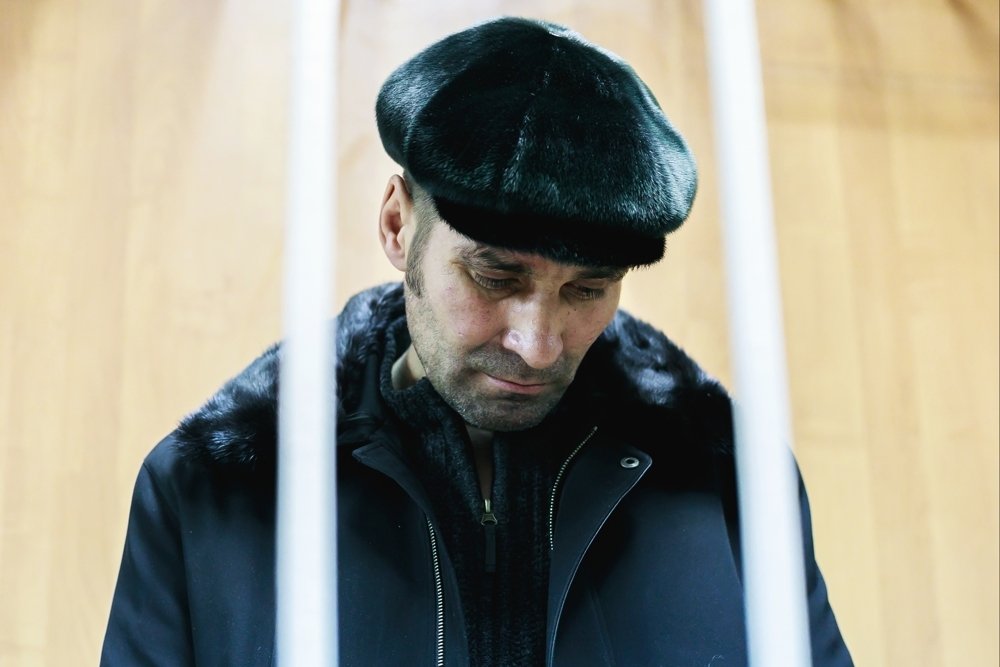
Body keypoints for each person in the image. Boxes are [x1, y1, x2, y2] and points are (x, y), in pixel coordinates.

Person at [101, 16, 853, 667]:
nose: (537, 344)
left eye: (587, 289)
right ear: (397, 225)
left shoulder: (733, 483)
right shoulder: (211, 492)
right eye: (495, 276)